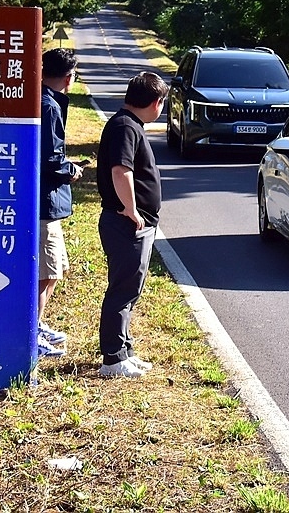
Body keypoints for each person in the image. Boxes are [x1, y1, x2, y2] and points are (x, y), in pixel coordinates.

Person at [95, 71, 169, 378]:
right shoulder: (127, 127)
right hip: (125, 222)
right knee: (123, 289)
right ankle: (112, 359)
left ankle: (123, 349)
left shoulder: (128, 124)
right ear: (155, 102)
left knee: (130, 288)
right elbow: (120, 170)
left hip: (132, 222)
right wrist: (131, 210)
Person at [38, 48, 84, 358]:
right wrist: (72, 170)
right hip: (44, 204)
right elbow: (51, 159)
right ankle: (30, 330)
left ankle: (35, 325)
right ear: (69, 77)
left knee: (51, 269)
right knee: (46, 272)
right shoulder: (50, 107)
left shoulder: (39, 99)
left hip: (41, 202)